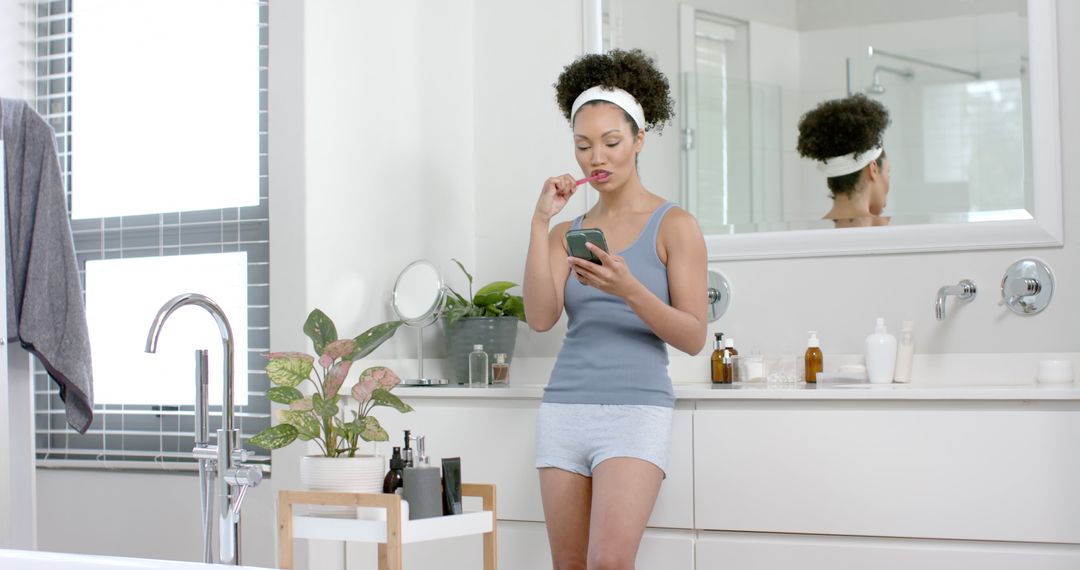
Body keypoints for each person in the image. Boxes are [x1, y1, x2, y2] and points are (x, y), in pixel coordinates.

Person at [522, 49, 708, 569]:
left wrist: (629, 289)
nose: (595, 159)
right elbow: (540, 318)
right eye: (583, 146)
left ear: (639, 141)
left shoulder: (675, 225)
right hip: (564, 409)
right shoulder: (569, 233)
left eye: (610, 143)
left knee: (608, 563)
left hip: (635, 411)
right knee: (570, 566)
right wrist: (541, 223)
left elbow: (694, 336)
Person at [796, 94, 892, 228]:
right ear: (873, 169)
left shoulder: (807, 231)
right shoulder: (890, 230)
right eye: (888, 173)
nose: (889, 184)